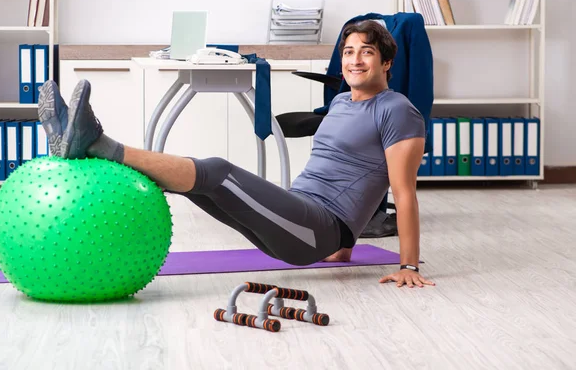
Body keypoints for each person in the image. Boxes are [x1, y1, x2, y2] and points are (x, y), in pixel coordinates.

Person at [38, 20, 435, 288]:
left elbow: (402, 193)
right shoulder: (342, 103)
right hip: (304, 216)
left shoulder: (398, 110)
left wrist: (408, 265)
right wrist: (344, 250)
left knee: (217, 171)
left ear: (386, 62)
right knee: (203, 187)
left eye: (365, 53)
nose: (353, 60)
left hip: (315, 228)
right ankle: (86, 147)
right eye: (348, 52)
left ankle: (97, 145)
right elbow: (344, 173)